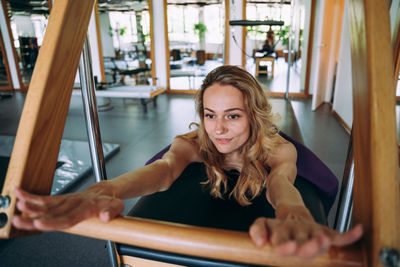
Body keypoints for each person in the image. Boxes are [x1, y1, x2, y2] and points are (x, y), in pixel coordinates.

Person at [12, 65, 363, 260]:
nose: (219, 129)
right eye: (210, 115)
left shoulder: (278, 150)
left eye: (233, 116)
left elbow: (281, 184)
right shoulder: (194, 142)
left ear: (254, 117)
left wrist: (292, 214)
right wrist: (105, 189)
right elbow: (163, 171)